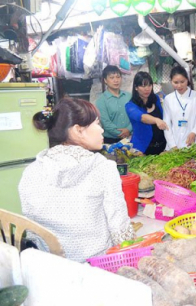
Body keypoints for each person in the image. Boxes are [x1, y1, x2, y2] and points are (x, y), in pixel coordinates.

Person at [18, 98, 135, 263]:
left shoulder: (31, 171)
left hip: (50, 265)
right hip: (96, 267)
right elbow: (120, 230)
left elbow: (32, 226)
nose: (102, 131)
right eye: (97, 124)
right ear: (78, 130)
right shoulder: (104, 168)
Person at [163, 66, 196, 150]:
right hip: (175, 143)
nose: (179, 85)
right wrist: (172, 145)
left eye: (182, 82)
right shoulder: (168, 99)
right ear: (171, 82)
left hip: (194, 143)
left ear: (187, 80)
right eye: (175, 82)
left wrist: (194, 132)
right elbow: (166, 123)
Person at [126, 72, 168, 155]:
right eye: (143, 86)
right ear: (136, 87)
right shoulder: (130, 106)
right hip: (143, 149)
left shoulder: (156, 98)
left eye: (149, 85)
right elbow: (142, 117)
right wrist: (156, 120)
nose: (147, 89)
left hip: (162, 146)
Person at [95, 65, 132, 144]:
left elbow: (135, 116)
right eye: (112, 78)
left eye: (118, 77)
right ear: (105, 80)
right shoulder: (101, 101)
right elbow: (106, 123)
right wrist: (122, 134)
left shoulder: (129, 96)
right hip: (110, 141)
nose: (116, 80)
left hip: (131, 137)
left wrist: (129, 129)